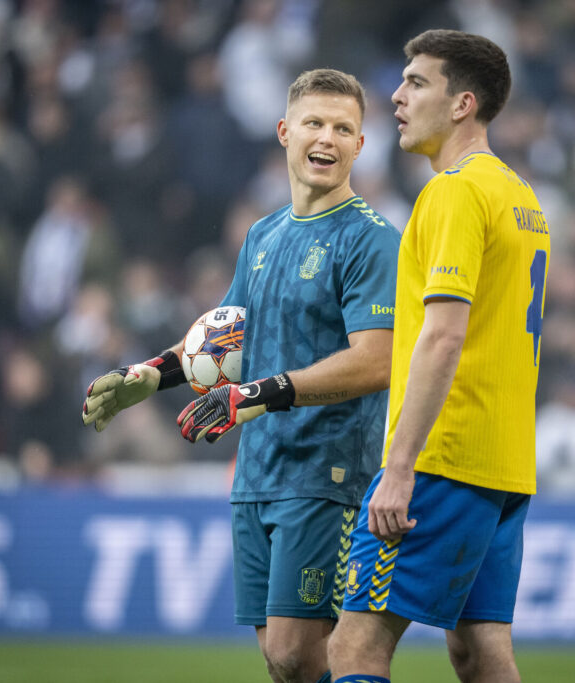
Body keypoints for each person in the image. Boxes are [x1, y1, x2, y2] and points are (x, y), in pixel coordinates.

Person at [82, 69, 401, 683]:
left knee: (301, 653)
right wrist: (153, 374)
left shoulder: (372, 240)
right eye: (315, 123)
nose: (328, 139)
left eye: (344, 129)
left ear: (361, 146)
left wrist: (264, 392)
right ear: (285, 133)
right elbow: (224, 338)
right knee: (284, 662)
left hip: (328, 471)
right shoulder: (263, 234)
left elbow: (377, 360)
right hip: (256, 472)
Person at [327, 30, 550, 683]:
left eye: (417, 82)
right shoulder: (522, 197)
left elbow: (444, 335)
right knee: (480, 652)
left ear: (463, 104)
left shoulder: (454, 190)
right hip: (504, 463)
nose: (395, 96)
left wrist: (399, 468)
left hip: (443, 459)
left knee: (354, 647)